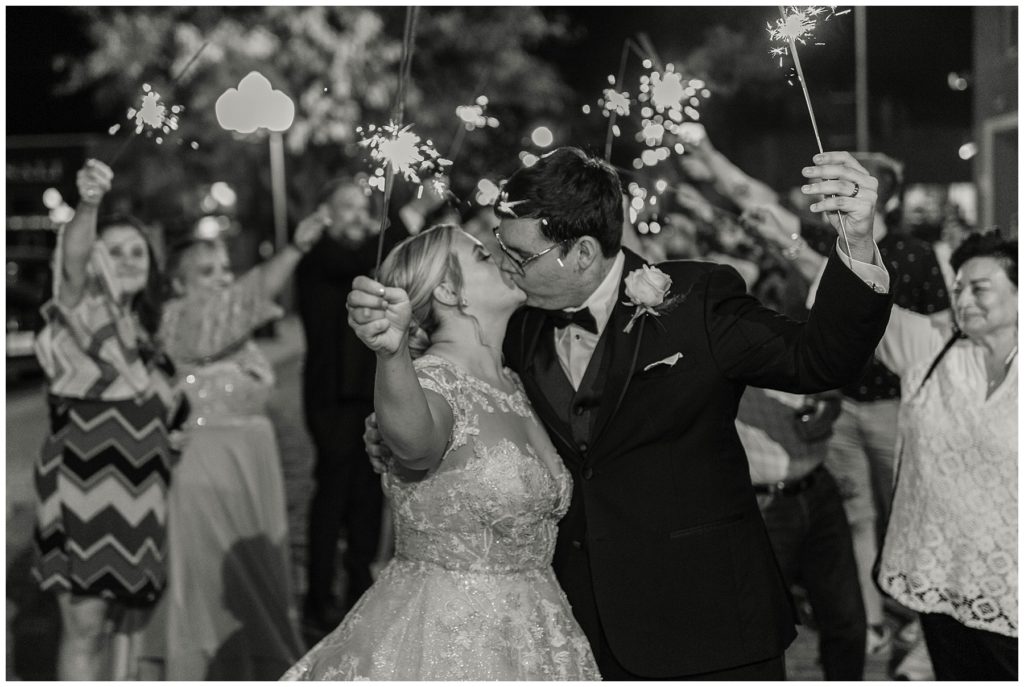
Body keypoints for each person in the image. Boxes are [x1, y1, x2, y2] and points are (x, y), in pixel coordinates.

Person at [358, 146, 894, 679]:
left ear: (583, 253)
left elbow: (819, 360)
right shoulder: (514, 328)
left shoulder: (696, 299)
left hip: (711, 624)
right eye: (498, 246)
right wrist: (392, 427)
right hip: (579, 632)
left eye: (519, 255)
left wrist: (858, 239)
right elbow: (461, 410)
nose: (504, 264)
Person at [283, 223, 601, 680]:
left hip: (541, 634)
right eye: (485, 257)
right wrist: (391, 358)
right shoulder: (432, 381)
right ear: (451, 291)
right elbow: (415, 445)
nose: (504, 258)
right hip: (449, 640)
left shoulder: (515, 381)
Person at [742, 155, 950, 658]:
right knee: (857, 517)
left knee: (909, 512)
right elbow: (756, 199)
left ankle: (924, 630)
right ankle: (873, 623)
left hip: (892, 406)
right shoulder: (821, 241)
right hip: (844, 402)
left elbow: (938, 337)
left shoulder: (916, 255)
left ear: (887, 197)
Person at [138, 213, 325, 679]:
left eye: (224, 267)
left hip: (251, 474)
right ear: (176, 285)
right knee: (213, 576)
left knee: (254, 575)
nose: (223, 278)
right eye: (207, 271)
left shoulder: (232, 332)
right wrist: (295, 250)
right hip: (207, 473)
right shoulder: (180, 321)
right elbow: (248, 299)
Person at [31, 159, 186, 679]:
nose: (126, 259)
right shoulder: (80, 310)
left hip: (144, 492)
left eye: (136, 251)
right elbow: (73, 262)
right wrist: (90, 204)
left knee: (128, 626)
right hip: (86, 483)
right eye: (112, 251)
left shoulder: (149, 332)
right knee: (86, 626)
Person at [874, 230, 1017, 680]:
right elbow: (862, 305)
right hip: (936, 575)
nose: (964, 299)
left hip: (1009, 586)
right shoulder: (932, 349)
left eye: (980, 288)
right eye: (958, 289)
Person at [737, 272, 866, 680]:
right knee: (763, 630)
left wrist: (826, 412)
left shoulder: (804, 343)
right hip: (764, 503)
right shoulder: (735, 355)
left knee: (846, 620)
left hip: (818, 490)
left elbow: (831, 395)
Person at [295, 177, 395, 636]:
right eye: (347, 206)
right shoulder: (319, 255)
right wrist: (404, 220)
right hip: (332, 398)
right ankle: (318, 596)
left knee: (368, 497)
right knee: (332, 496)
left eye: (363, 206)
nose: (358, 214)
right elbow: (356, 263)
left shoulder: (372, 258)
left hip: (368, 392)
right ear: (325, 213)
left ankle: (360, 588)